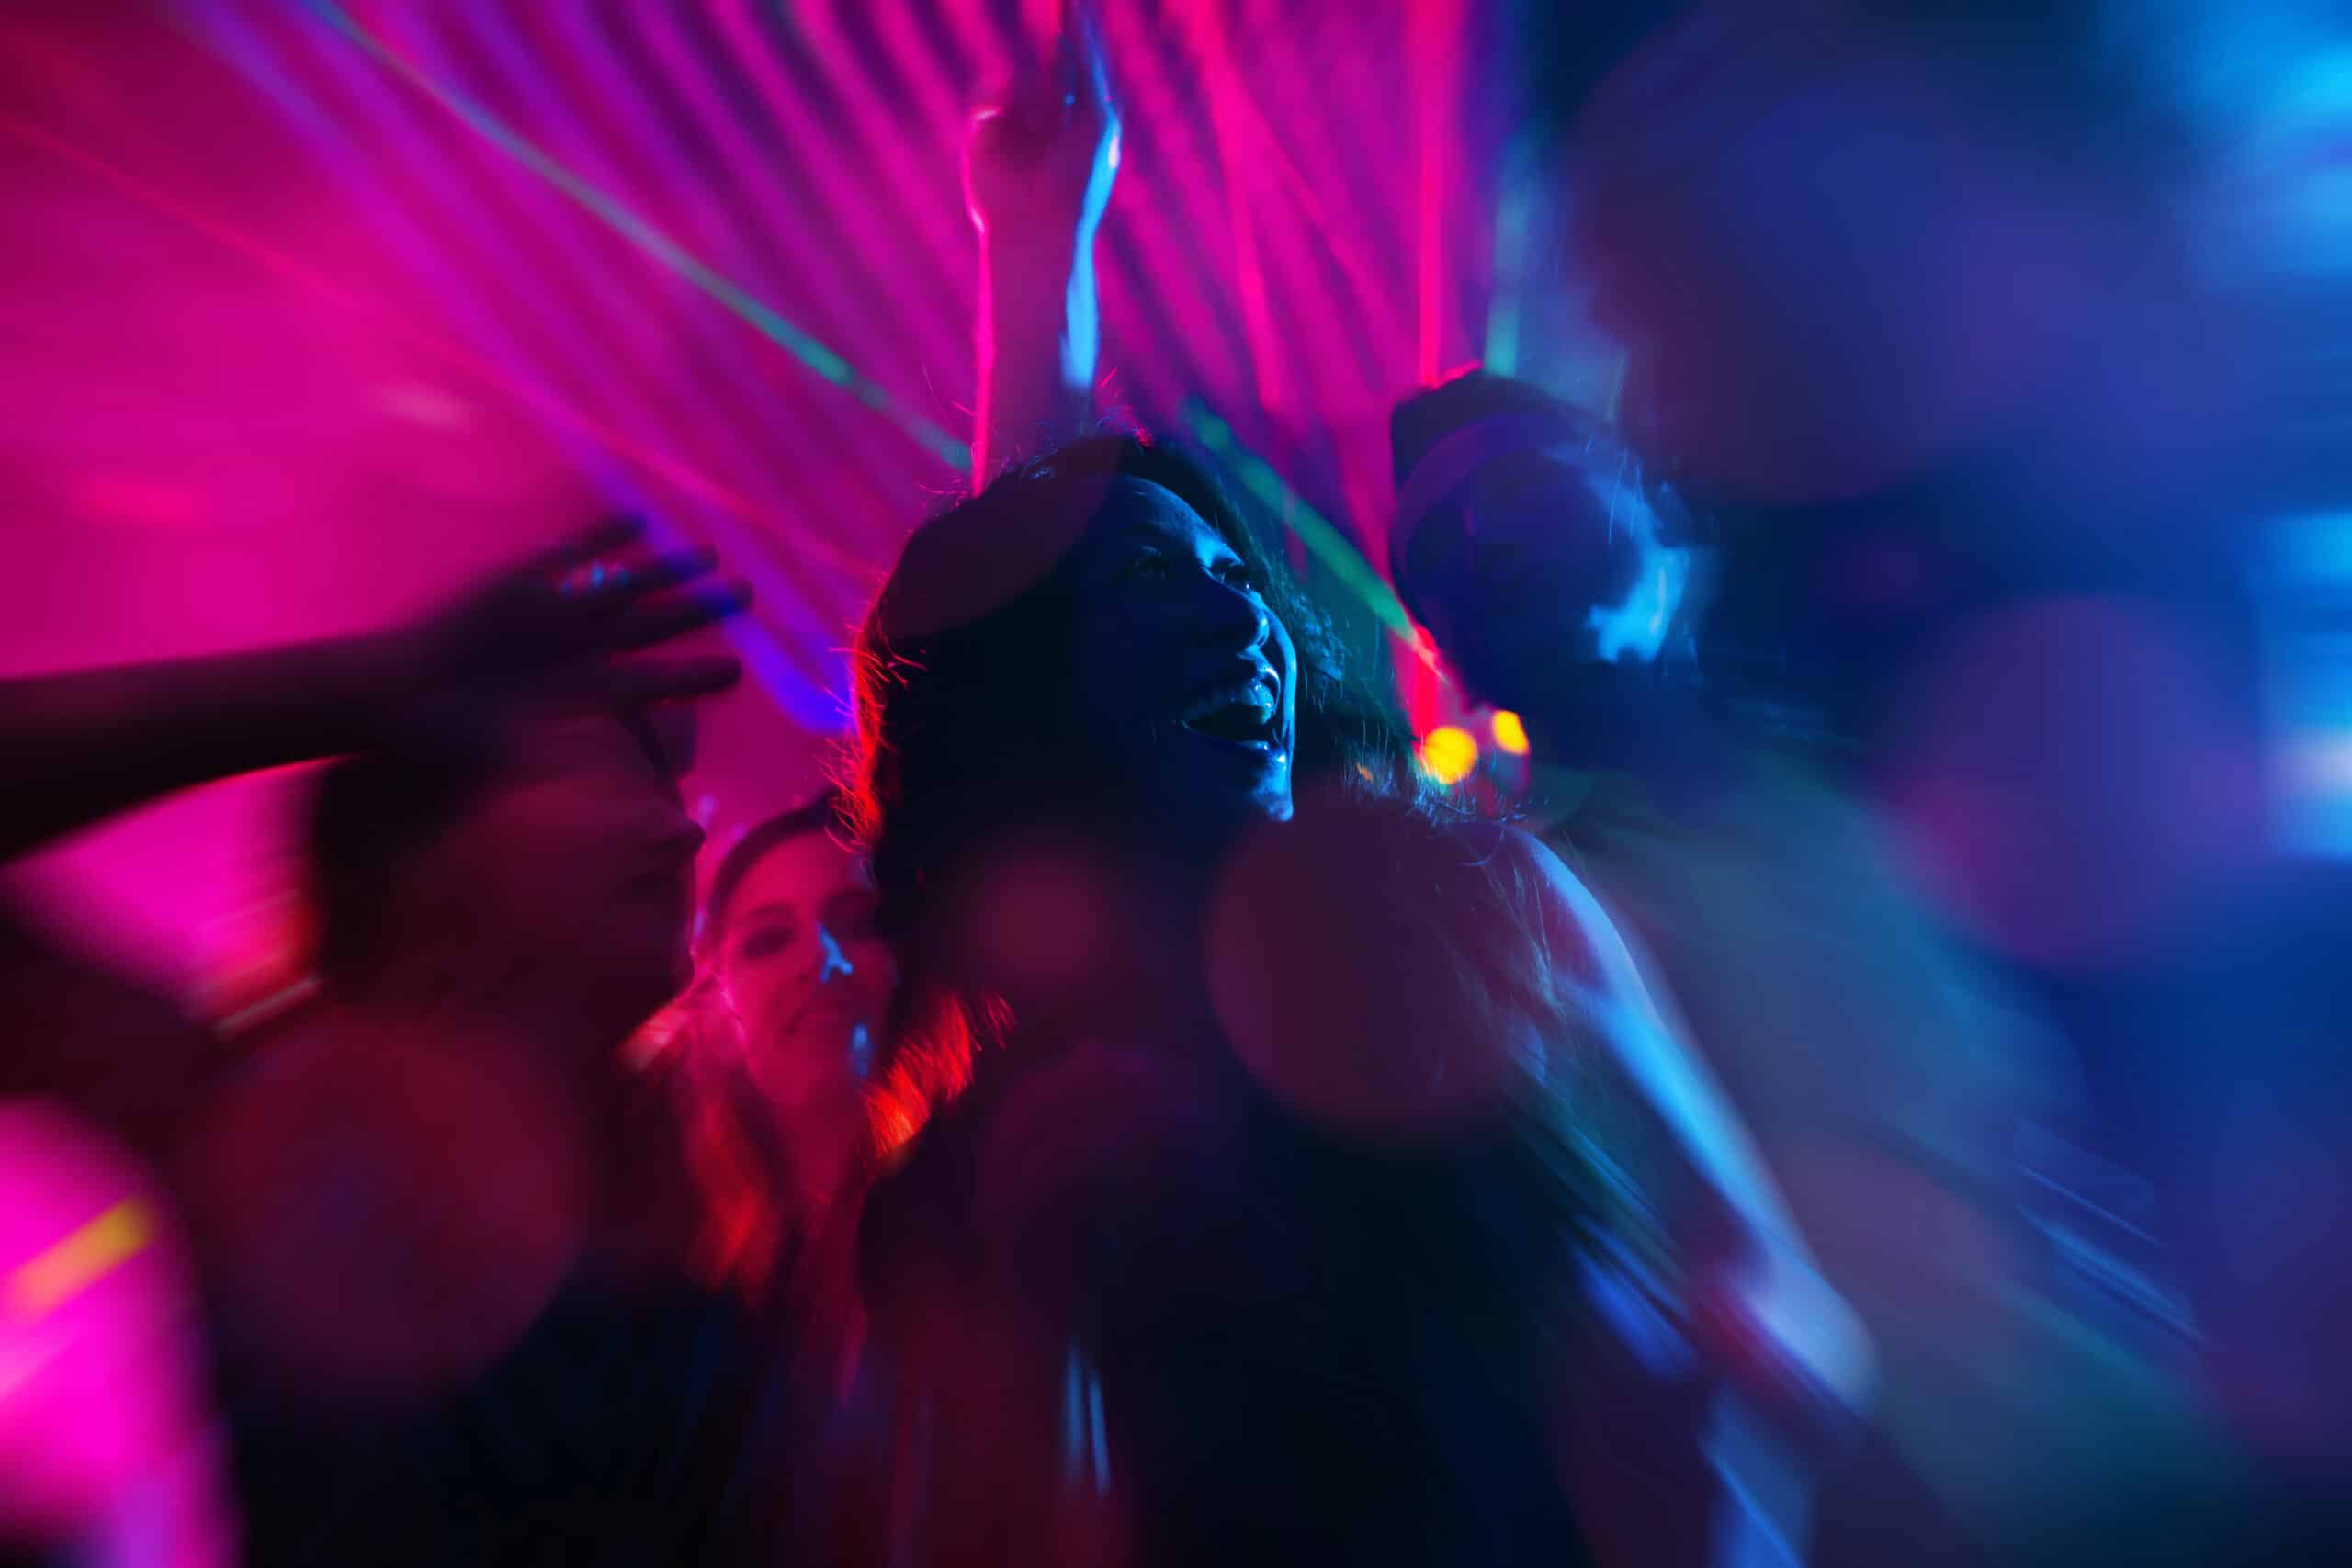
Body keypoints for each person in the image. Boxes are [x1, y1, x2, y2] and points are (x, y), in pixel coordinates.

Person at [842, 433, 1868, 1567]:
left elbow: (1772, 1281)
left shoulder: (1488, 902)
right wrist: (1058, 1336)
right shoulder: (971, 1190)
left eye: (1235, 576)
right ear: (1011, 703)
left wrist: (1722, 1406)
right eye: (1144, 576)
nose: (1238, 621)